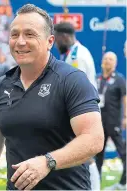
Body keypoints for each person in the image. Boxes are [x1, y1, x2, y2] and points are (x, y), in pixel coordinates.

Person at [0, 4, 104, 190]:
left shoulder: (72, 80)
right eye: (14, 34)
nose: (20, 41)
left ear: (50, 41)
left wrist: (47, 162)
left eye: (30, 34)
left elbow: (93, 139)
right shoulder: (2, 85)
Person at [54, 22, 100, 190]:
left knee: (86, 156)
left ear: (64, 36)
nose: (56, 43)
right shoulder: (75, 53)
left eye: (57, 38)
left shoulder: (76, 57)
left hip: (82, 111)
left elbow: (75, 88)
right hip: (81, 111)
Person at [95, 51, 126, 190]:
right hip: (98, 123)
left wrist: (125, 117)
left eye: (111, 59)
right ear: (102, 61)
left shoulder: (119, 79)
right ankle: (95, 182)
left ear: (115, 63)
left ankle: (123, 181)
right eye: (106, 59)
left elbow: (125, 98)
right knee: (98, 154)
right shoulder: (97, 78)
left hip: (114, 122)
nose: (108, 61)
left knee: (123, 152)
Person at [54, 22, 97, 88]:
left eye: (56, 40)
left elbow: (78, 85)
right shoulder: (77, 52)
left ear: (65, 37)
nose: (56, 45)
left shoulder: (76, 57)